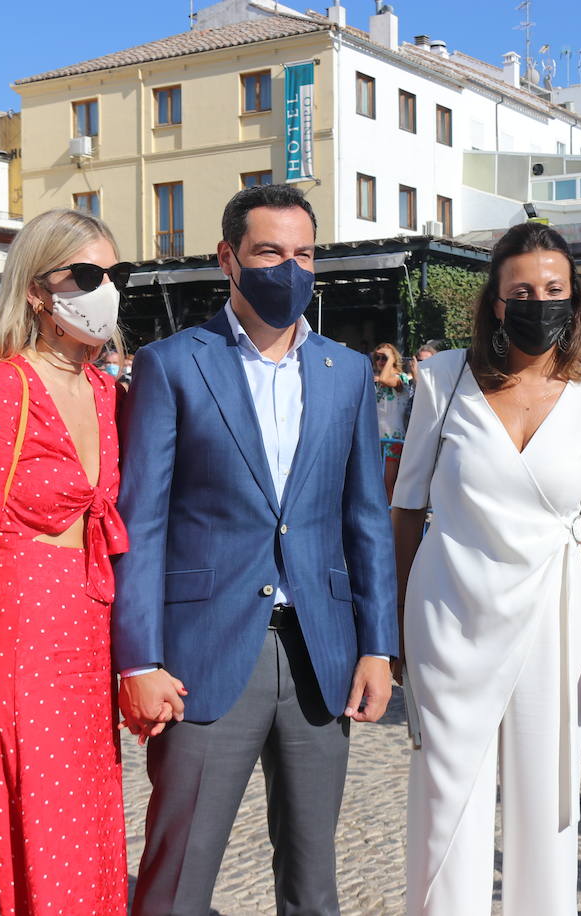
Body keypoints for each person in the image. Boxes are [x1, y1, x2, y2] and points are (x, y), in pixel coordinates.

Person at [115, 184, 397, 916]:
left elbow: (365, 519)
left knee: (312, 877)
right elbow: (141, 521)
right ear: (229, 259)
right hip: (203, 654)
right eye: (270, 251)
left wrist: (377, 648)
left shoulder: (347, 373)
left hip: (320, 652)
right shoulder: (173, 364)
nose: (289, 268)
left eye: (304, 254)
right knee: (179, 874)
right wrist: (139, 659)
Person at [390, 221, 581, 916]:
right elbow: (406, 509)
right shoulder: (441, 378)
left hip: (552, 617)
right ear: (495, 301)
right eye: (522, 289)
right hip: (447, 611)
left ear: (573, 296)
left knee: (546, 800)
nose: (538, 301)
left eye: (553, 288)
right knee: (445, 796)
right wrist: (397, 622)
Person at [0, 208, 133, 914]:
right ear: (40, 291)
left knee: (96, 819)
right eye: (85, 275)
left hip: (91, 625)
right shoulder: (0, 389)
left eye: (114, 274)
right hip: (23, 632)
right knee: (44, 830)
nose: (103, 289)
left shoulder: (109, 392)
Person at [373, 341, 414, 503]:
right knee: (377, 485)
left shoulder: (400, 378)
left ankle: (391, 525)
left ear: (394, 359)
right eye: (378, 358)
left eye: (384, 358)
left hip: (393, 439)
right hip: (378, 439)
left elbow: (385, 378)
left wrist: (390, 359)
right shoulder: (379, 383)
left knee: (389, 485)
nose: (380, 361)